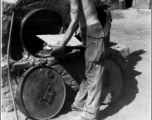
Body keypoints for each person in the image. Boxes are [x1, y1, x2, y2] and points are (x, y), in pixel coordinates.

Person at [52, 0, 106, 120]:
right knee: (83, 70)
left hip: (93, 31)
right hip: (85, 32)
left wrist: (62, 45)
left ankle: (90, 115)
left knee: (94, 74)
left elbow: (74, 20)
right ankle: (80, 103)